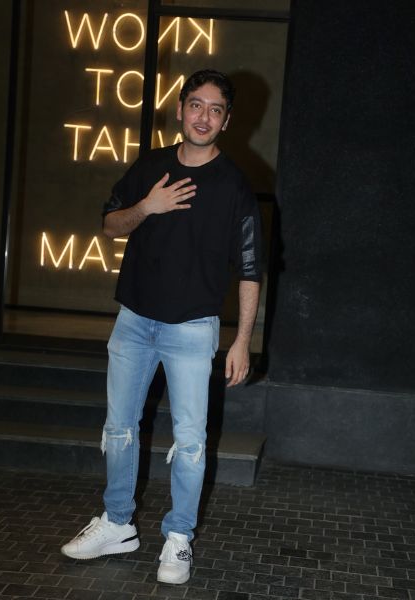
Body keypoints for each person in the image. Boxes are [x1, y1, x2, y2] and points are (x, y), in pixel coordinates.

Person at [60, 69, 264, 585]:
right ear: (180, 109)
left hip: (192, 329)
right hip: (134, 320)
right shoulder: (151, 165)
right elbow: (110, 224)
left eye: (215, 109)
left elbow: (250, 268)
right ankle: (117, 524)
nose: (204, 117)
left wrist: (241, 340)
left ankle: (178, 538)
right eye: (196, 105)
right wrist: (147, 207)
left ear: (226, 120)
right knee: (119, 429)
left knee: (190, 442)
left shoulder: (235, 186)